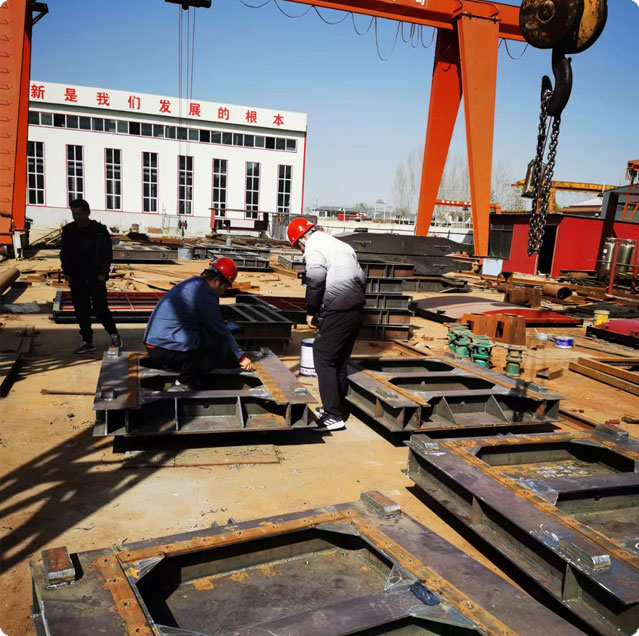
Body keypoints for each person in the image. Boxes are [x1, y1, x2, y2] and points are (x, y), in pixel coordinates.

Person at [287, 217, 366, 432]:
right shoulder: (341, 245)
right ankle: (337, 407)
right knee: (338, 360)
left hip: (338, 310)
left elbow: (315, 280)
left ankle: (333, 416)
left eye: (298, 247)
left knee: (323, 356)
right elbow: (361, 277)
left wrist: (311, 311)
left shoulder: (314, 247)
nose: (301, 250)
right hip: (356, 311)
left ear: (301, 240)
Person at [143, 257, 254, 392]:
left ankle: (187, 369)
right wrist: (241, 357)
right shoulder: (205, 295)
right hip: (164, 349)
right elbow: (220, 332)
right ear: (216, 281)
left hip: (156, 342)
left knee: (207, 336)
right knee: (218, 347)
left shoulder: (194, 283)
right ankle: (182, 383)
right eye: (225, 287)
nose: (223, 292)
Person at [60, 198, 121, 354]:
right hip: (77, 278)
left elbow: (107, 254)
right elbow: (64, 254)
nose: (77, 217)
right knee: (81, 310)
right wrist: (67, 273)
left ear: (88, 212)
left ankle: (114, 334)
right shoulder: (69, 231)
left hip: (95, 277)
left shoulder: (99, 231)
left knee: (101, 309)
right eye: (74, 213)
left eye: (79, 213)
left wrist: (102, 274)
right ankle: (87, 341)